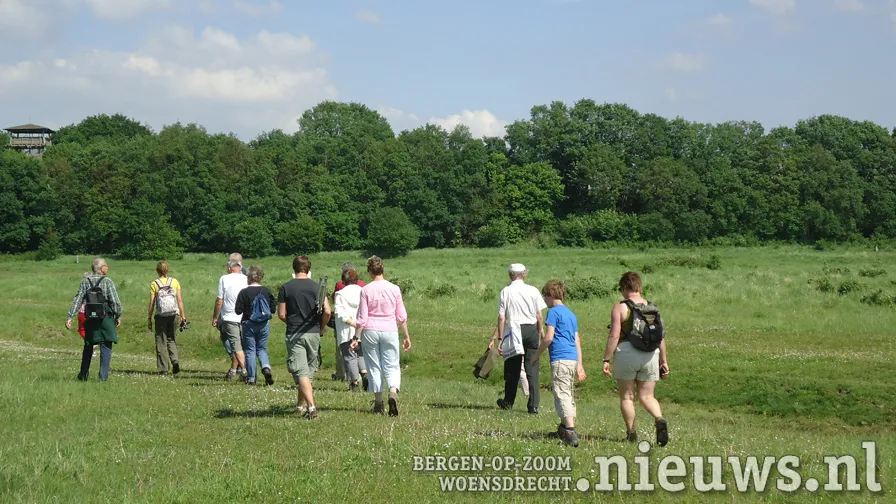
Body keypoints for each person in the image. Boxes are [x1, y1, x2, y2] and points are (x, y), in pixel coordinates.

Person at [602, 272, 670, 446]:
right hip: (650, 354)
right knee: (647, 396)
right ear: (639, 287)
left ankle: (631, 433)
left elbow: (614, 335)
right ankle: (659, 418)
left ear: (625, 287)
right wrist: (663, 360)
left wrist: (606, 359)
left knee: (627, 397)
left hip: (627, 353)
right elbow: (660, 336)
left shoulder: (620, 307)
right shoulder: (651, 307)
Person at [352, 256, 411, 416]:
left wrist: (356, 337)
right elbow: (401, 316)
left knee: (374, 366)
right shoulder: (394, 289)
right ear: (382, 270)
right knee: (392, 364)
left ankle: (378, 403)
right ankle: (392, 391)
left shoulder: (366, 290)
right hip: (389, 329)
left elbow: (362, 318)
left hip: (370, 331)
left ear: (370, 272)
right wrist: (406, 336)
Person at [531, 280, 586, 447]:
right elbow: (577, 340)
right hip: (571, 358)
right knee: (567, 392)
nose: (544, 301)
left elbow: (548, 337)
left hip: (560, 358)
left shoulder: (553, 312)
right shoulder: (571, 314)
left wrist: (536, 355)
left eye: (544, 297)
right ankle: (563, 428)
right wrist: (580, 364)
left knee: (561, 394)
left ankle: (570, 430)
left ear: (550, 295)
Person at [278, 255, 331, 419]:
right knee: (307, 372)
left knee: (301, 372)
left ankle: (312, 407)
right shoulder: (317, 287)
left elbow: (281, 314)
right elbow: (328, 311)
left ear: (293, 268)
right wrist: (321, 327)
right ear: (309, 269)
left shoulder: (285, 288)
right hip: (313, 332)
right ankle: (300, 406)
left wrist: (292, 322)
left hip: (295, 332)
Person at [489, 263, 546, 414]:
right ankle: (533, 405)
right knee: (532, 368)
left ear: (510, 274)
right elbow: (539, 315)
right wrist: (540, 332)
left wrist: (500, 339)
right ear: (524, 274)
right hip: (531, 329)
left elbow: (502, 317)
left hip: (514, 330)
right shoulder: (533, 290)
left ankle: (508, 402)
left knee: (513, 369)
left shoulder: (506, 291)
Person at [65, 258, 122, 381]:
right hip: (105, 317)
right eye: (106, 265)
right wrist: (118, 315)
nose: (107, 267)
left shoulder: (85, 282)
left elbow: (78, 299)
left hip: (90, 317)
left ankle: (83, 375)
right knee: (106, 345)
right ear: (101, 268)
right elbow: (115, 301)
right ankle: (103, 377)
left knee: (88, 345)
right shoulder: (108, 282)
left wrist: (70, 316)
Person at [234, 265, 277, 386]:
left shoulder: (244, 292)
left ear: (248, 277)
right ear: (261, 277)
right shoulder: (266, 291)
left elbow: (238, 310)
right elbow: (273, 309)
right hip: (264, 324)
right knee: (262, 349)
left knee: (250, 351)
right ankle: (265, 367)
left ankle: (252, 378)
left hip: (248, 323)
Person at [148, 261, 187, 375]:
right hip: (173, 314)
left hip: (161, 315)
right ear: (167, 270)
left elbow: (151, 303)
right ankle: (175, 361)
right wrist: (182, 316)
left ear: (157, 271)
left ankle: (163, 369)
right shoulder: (174, 282)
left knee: (161, 341)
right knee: (171, 339)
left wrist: (149, 318)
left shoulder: (154, 284)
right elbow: (179, 300)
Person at [330, 262, 367, 381]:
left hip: (347, 329)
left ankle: (354, 382)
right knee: (360, 354)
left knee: (349, 356)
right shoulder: (363, 290)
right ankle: (365, 374)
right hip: (361, 329)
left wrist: (352, 323)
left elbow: (340, 312)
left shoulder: (340, 293)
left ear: (343, 281)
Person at [213, 259, 248, 381]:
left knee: (236, 346)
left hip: (229, 317)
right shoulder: (246, 279)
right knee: (241, 345)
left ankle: (244, 372)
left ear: (229, 268)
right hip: (245, 317)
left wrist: (215, 317)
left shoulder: (224, 278)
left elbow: (219, 301)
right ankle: (233, 371)